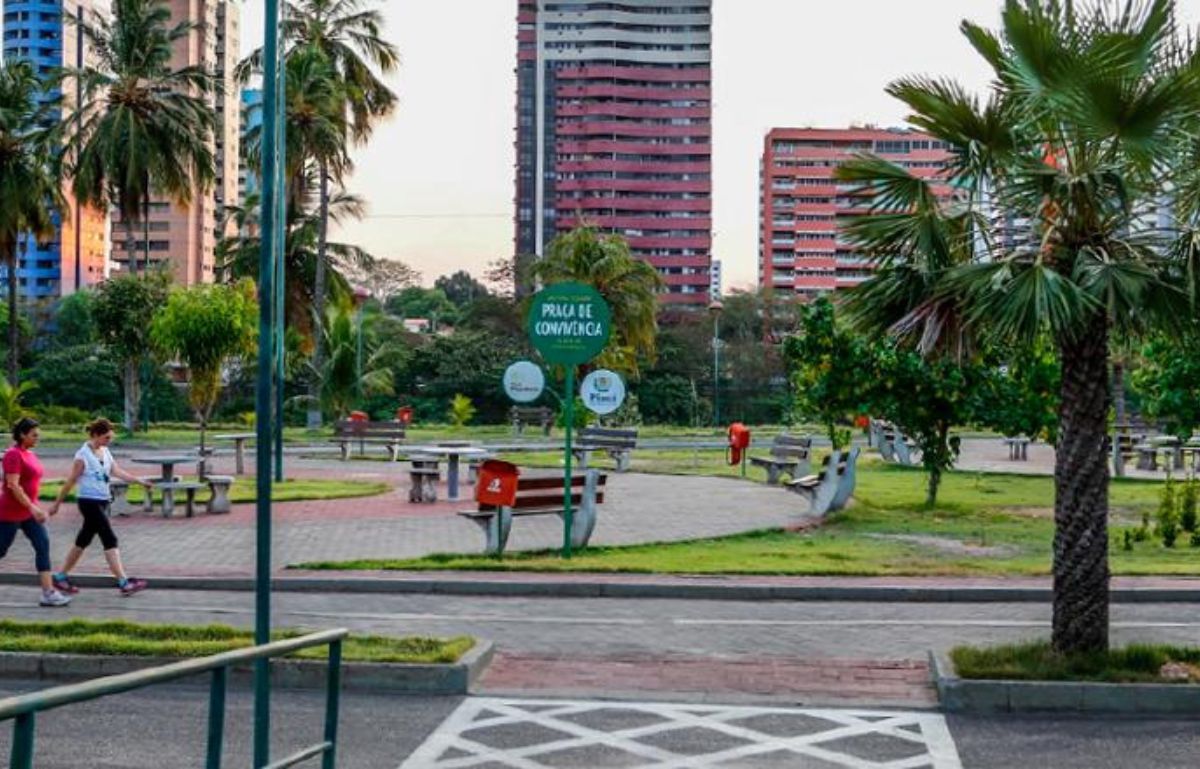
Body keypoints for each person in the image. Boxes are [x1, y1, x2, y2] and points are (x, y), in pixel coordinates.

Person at [49, 418, 150, 597]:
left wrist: (139, 481)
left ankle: (60, 576)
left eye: (110, 438)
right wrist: (57, 504)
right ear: (95, 435)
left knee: (83, 540)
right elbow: (71, 481)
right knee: (109, 538)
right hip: (88, 502)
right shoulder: (82, 456)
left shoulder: (105, 451)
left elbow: (116, 471)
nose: (109, 441)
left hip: (103, 501)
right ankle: (123, 582)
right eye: (106, 437)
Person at [0, 418, 69, 607]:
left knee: (42, 545)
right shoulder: (13, 455)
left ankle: (48, 592)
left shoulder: (29, 454)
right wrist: (33, 507)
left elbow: (32, 482)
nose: (38, 438)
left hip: (29, 512)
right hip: (10, 512)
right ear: (22, 435)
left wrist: (35, 507)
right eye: (34, 435)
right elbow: (12, 485)